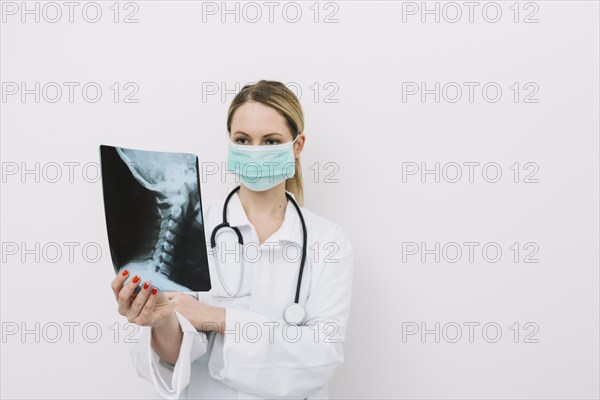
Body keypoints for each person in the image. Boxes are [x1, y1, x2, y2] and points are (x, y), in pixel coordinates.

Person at [111, 80, 354, 399]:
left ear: (297, 145)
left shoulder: (328, 241)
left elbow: (321, 358)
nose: (254, 153)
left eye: (270, 141)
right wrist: (162, 322)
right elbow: (178, 358)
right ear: (230, 142)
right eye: (243, 139)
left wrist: (218, 319)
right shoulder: (197, 226)